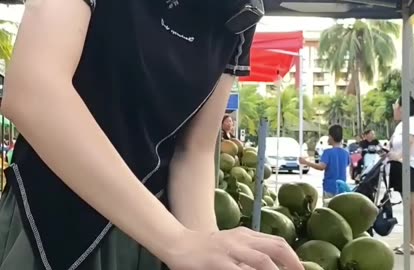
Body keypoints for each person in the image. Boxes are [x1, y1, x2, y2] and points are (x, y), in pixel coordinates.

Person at [0, 1, 303, 270]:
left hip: (149, 240)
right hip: (46, 224)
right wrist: (178, 242)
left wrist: (206, 245)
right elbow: (34, 90)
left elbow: (192, 151)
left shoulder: (241, 11)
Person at [388, 96, 414, 255]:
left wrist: (399, 156)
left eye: (395, 104)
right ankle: (408, 242)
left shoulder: (412, 121)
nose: (394, 107)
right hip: (401, 167)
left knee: (412, 204)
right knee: (407, 205)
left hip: (409, 167)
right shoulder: (402, 124)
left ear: (403, 107)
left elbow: (410, 141)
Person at [299, 125, 350, 205]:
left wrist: (306, 162)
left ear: (331, 137)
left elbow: (321, 167)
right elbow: (346, 165)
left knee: (328, 210)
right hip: (342, 188)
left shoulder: (327, 152)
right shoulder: (346, 153)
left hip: (329, 187)